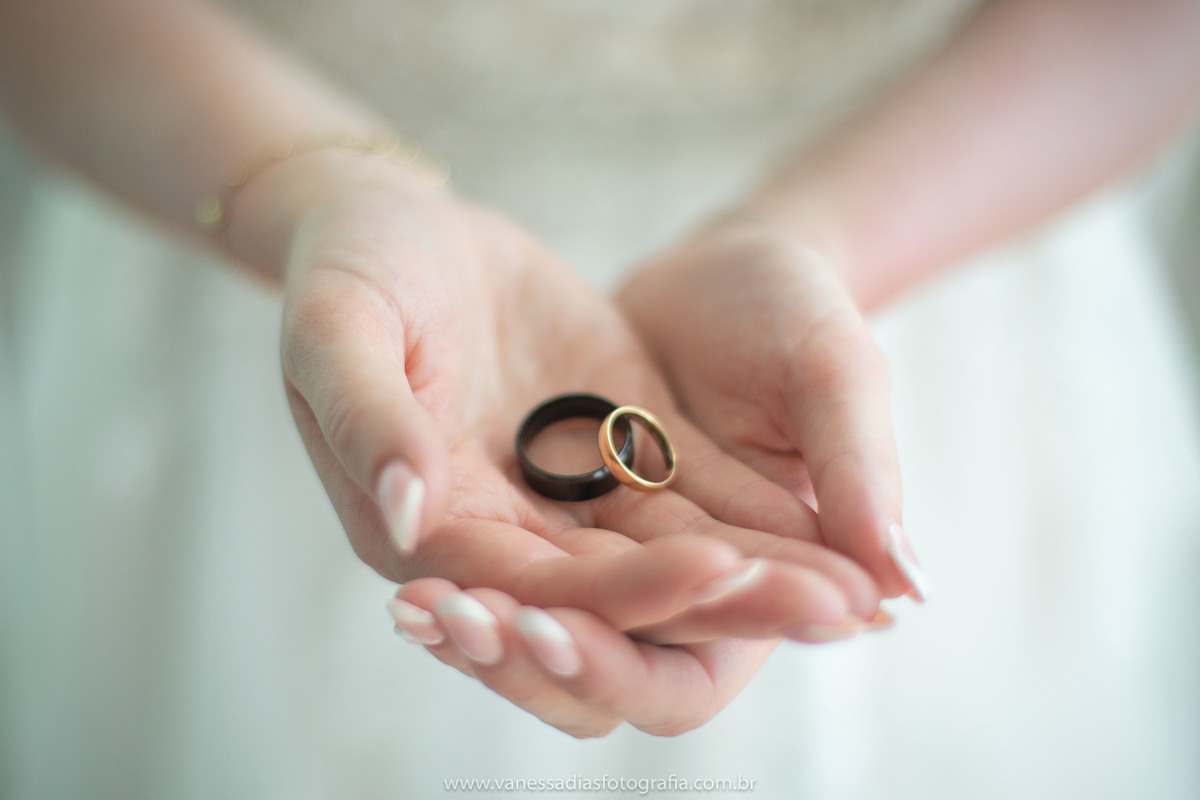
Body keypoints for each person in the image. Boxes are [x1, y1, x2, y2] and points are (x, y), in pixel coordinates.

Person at [1, 0, 1198, 796]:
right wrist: (318, 191)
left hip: (930, 219)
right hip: (234, 189)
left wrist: (814, 235)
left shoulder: (636, 437)